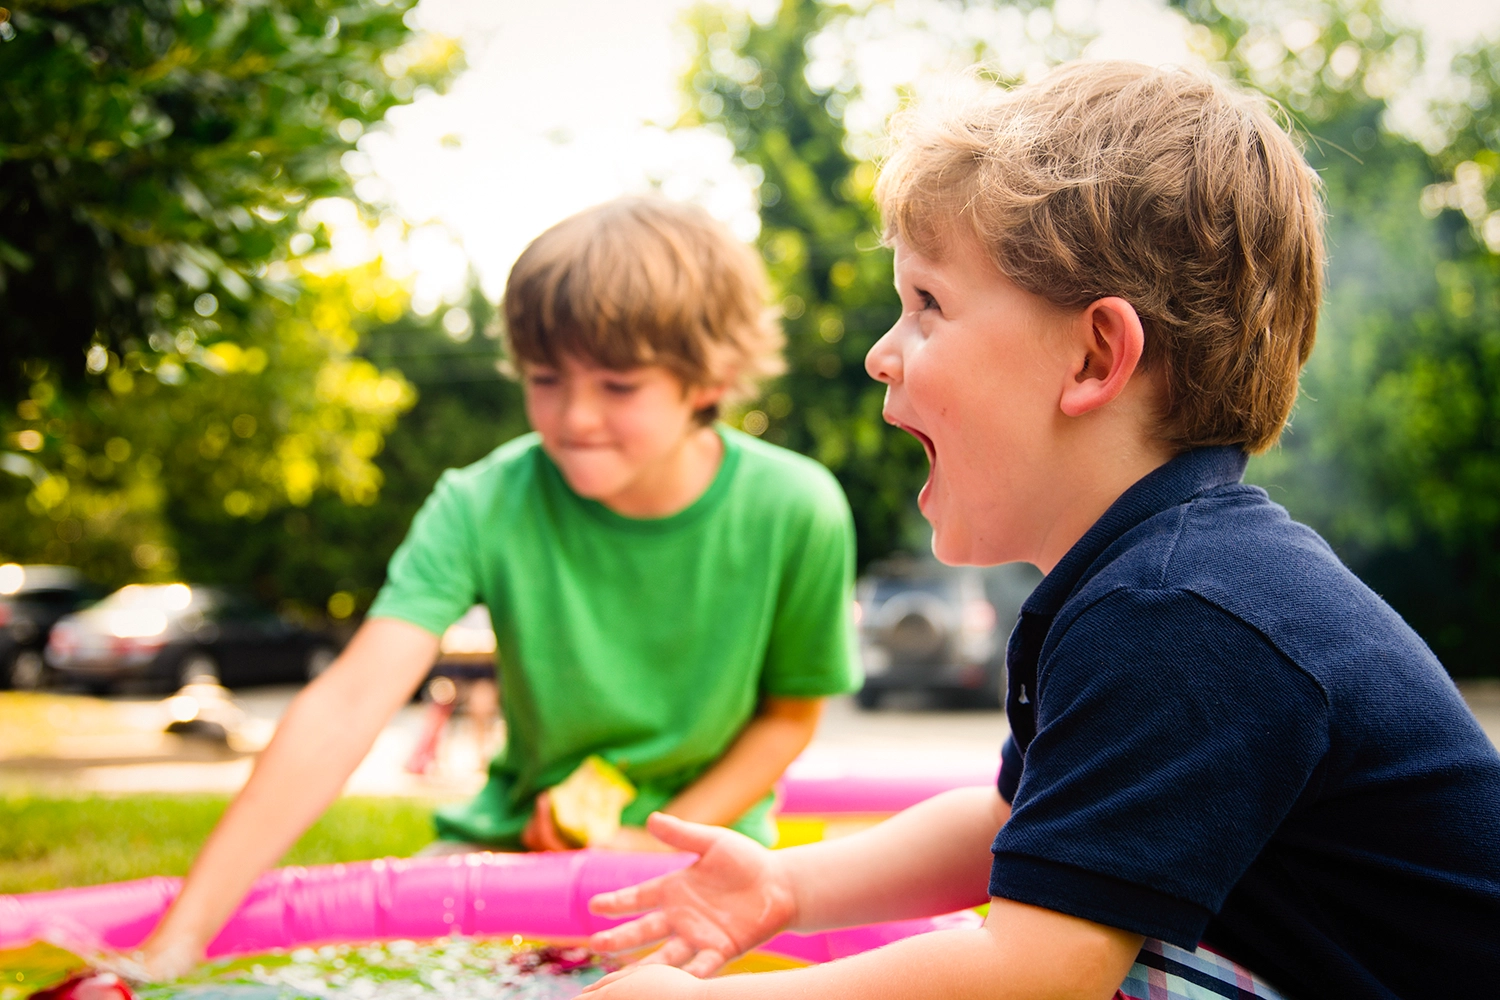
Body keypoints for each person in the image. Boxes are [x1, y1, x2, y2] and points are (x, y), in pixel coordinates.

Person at [577, 62, 1500, 1000]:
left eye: (928, 305)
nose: (880, 353)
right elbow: (1010, 823)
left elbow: (1036, 972)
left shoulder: (1183, 613)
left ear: (1096, 355)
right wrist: (786, 885)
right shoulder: (1150, 580)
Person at [137, 196, 863, 976]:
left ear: (708, 378)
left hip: (707, 860)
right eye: (545, 379)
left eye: (618, 386)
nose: (575, 417)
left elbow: (788, 719)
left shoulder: (798, 508)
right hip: (509, 848)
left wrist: (649, 840)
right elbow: (347, 704)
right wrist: (178, 939)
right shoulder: (481, 502)